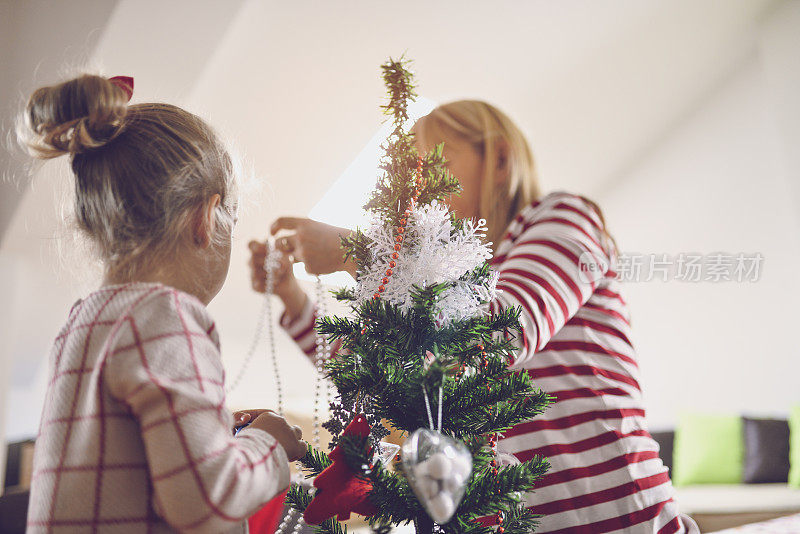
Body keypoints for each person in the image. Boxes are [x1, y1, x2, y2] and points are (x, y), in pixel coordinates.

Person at [249, 100, 698, 533]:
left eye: (434, 161)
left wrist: (363, 252)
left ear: (499, 157)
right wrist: (292, 298)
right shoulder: (451, 286)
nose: (419, 185)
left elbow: (505, 329)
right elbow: (379, 376)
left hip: (621, 516)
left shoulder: (563, 217)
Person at [20, 74, 306, 533]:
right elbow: (207, 502)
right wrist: (265, 442)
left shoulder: (83, 320)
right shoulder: (166, 315)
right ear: (206, 218)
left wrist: (213, 434)